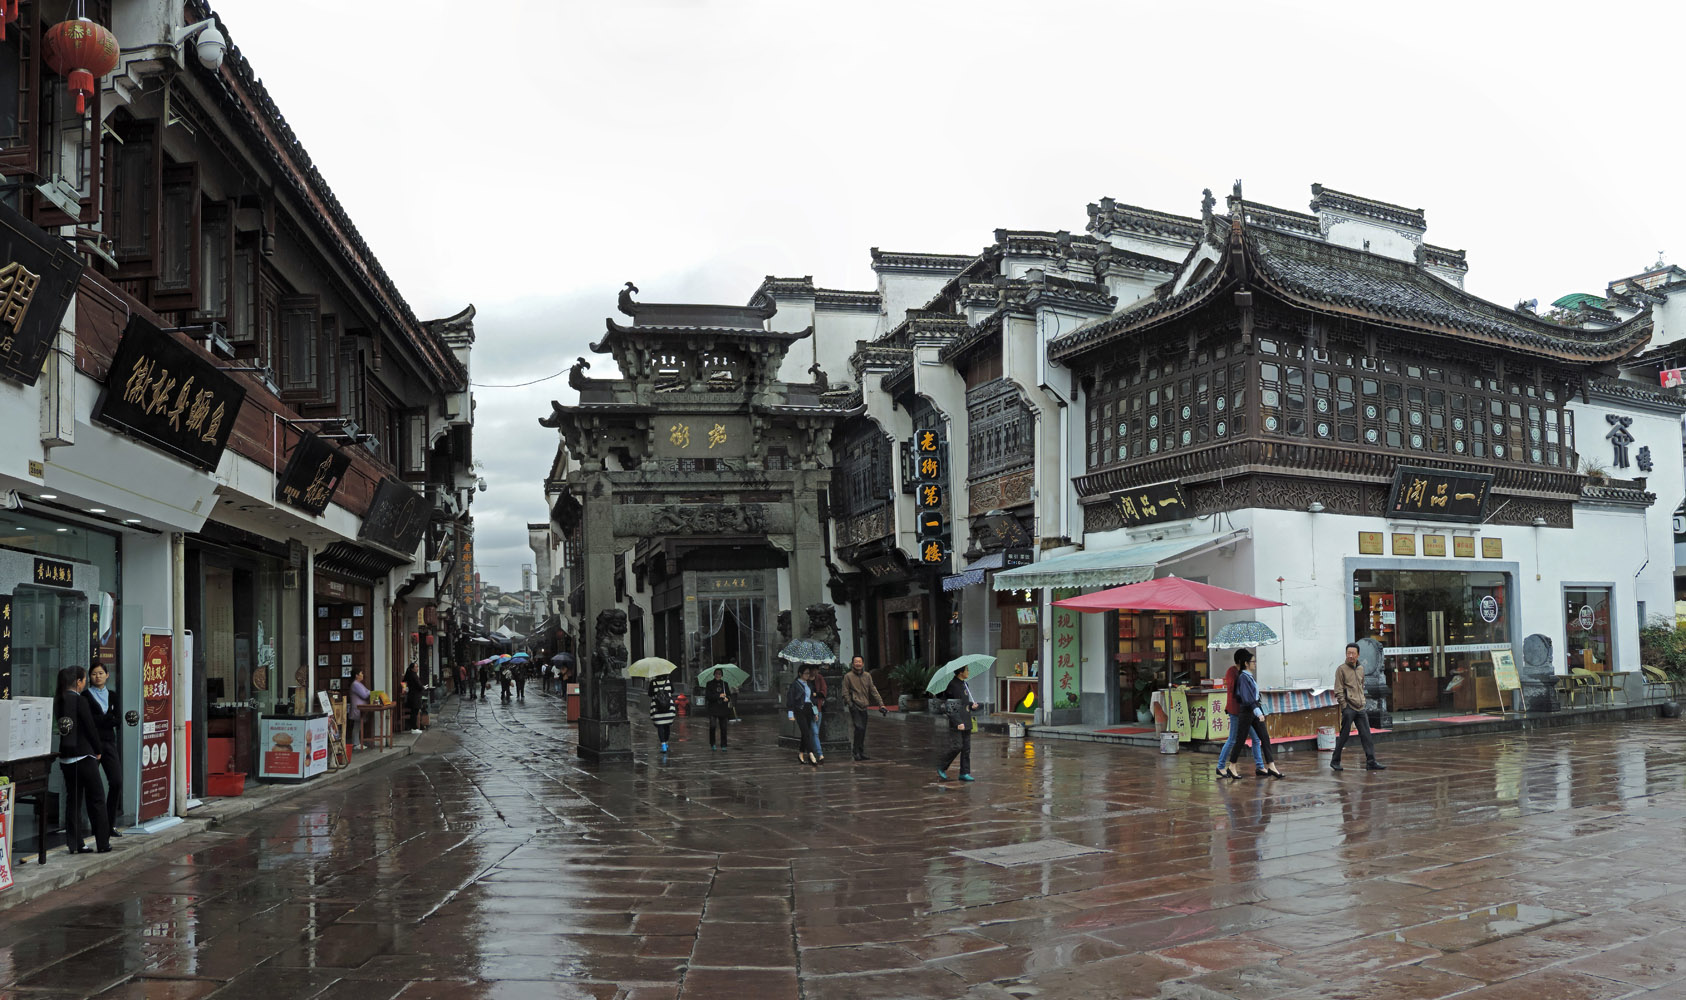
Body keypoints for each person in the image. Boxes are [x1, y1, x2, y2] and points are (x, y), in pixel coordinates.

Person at [54, 666, 111, 854]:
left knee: (73, 801)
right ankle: (103, 843)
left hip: (66, 759)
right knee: (97, 799)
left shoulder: (59, 701)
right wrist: (98, 750)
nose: (85, 682)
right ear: (78, 682)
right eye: (84, 679)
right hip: (85, 756)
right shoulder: (80, 701)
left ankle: (76, 844)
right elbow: (90, 728)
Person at [1226, 649, 1285, 778]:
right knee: (1240, 740)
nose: (1255, 664)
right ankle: (1232, 766)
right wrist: (1258, 712)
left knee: (1264, 737)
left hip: (1253, 710)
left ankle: (1271, 765)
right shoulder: (1243, 677)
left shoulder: (1248, 677)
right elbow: (1247, 698)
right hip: (1247, 712)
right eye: (1253, 661)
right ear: (1246, 663)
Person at [82, 663, 124, 835]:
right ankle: (96, 825)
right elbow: (89, 721)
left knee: (116, 781)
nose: (97, 676)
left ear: (107, 675)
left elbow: (118, 719)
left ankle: (110, 823)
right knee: (92, 785)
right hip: (91, 744)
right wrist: (107, 718)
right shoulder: (85, 696)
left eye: (100, 673)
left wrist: (103, 719)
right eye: (93, 674)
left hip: (108, 742)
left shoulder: (112, 695)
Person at [1331, 643, 1386, 772]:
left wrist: (1363, 701)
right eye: (1348, 653)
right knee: (1344, 735)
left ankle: (1371, 761)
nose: (1350, 656)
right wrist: (1344, 706)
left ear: (1358, 655)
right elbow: (1338, 690)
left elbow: (1361, 686)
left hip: (1360, 707)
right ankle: (1335, 761)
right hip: (1349, 707)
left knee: (1366, 735)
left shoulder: (1361, 669)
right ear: (1346, 654)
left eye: (1353, 653)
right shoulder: (1341, 669)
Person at [1216, 649, 1267, 780]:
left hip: (1246, 712)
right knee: (1232, 739)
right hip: (1235, 711)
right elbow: (1235, 690)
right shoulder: (1232, 672)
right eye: (1249, 661)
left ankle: (1260, 766)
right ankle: (1221, 766)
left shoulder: (1245, 674)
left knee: (1256, 738)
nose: (1251, 663)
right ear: (1243, 661)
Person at [937, 666, 980, 782]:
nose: (968, 672)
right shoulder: (953, 686)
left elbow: (963, 703)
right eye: (967, 670)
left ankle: (964, 772)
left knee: (966, 748)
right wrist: (958, 722)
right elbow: (950, 707)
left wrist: (972, 706)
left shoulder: (965, 684)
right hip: (958, 721)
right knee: (957, 746)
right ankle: (941, 766)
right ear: (961, 672)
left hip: (966, 719)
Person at [842, 655, 887, 761]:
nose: (858, 663)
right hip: (854, 705)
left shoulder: (867, 676)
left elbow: (873, 689)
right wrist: (850, 703)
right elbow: (845, 691)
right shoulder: (848, 676)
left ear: (862, 663)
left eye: (860, 662)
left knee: (863, 730)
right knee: (859, 728)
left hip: (864, 705)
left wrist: (881, 704)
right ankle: (855, 751)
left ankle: (861, 751)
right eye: (856, 662)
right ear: (853, 664)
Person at [785, 665, 821, 765]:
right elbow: (790, 699)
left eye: (809, 673)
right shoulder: (795, 685)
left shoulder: (809, 684)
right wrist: (790, 713)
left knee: (806, 733)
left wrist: (815, 712)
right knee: (805, 732)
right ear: (800, 674)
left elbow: (813, 700)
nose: (808, 675)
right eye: (806, 673)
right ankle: (811, 754)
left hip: (809, 709)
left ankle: (801, 753)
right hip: (800, 709)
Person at [648, 673, 677, 753]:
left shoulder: (653, 683)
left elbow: (650, 694)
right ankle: (666, 743)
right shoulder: (668, 681)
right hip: (668, 707)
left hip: (657, 708)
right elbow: (672, 690)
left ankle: (663, 745)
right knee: (667, 726)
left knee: (660, 726)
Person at [705, 671, 733, 750]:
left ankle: (724, 745)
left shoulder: (725, 684)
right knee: (713, 726)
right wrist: (718, 695)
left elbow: (729, 695)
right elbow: (708, 696)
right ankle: (712, 743)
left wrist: (727, 698)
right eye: (716, 674)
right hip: (713, 708)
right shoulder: (709, 684)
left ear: (722, 675)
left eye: (719, 674)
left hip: (723, 708)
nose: (718, 675)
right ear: (714, 675)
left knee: (723, 727)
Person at [348, 667, 371, 750]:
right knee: (357, 725)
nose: (362, 675)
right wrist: (369, 692)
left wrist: (368, 692)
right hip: (357, 708)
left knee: (358, 725)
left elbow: (367, 692)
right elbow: (365, 694)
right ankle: (355, 743)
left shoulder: (358, 684)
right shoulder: (355, 684)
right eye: (361, 673)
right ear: (356, 675)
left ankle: (357, 742)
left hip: (360, 708)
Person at [403, 662, 424, 734]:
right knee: (414, 712)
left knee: (414, 712)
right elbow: (419, 685)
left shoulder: (409, 674)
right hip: (415, 696)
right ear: (412, 668)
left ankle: (413, 727)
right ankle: (414, 728)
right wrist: (423, 687)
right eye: (416, 667)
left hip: (411, 695)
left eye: (417, 667)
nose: (417, 668)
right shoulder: (413, 675)